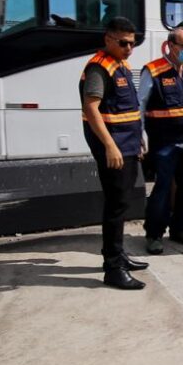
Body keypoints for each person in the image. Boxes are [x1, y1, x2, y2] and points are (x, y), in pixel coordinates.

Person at [79, 17, 148, 290]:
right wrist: (109, 146)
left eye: (132, 43)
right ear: (108, 39)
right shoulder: (99, 68)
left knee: (122, 202)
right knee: (116, 205)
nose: (129, 48)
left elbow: (128, 109)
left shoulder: (121, 64)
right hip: (115, 148)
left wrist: (139, 139)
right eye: (123, 43)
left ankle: (118, 255)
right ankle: (113, 268)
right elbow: (91, 109)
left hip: (128, 144)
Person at [138, 27, 183, 255]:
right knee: (163, 187)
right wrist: (140, 137)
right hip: (164, 140)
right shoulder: (153, 71)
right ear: (170, 46)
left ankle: (180, 228)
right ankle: (154, 234)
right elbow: (140, 106)